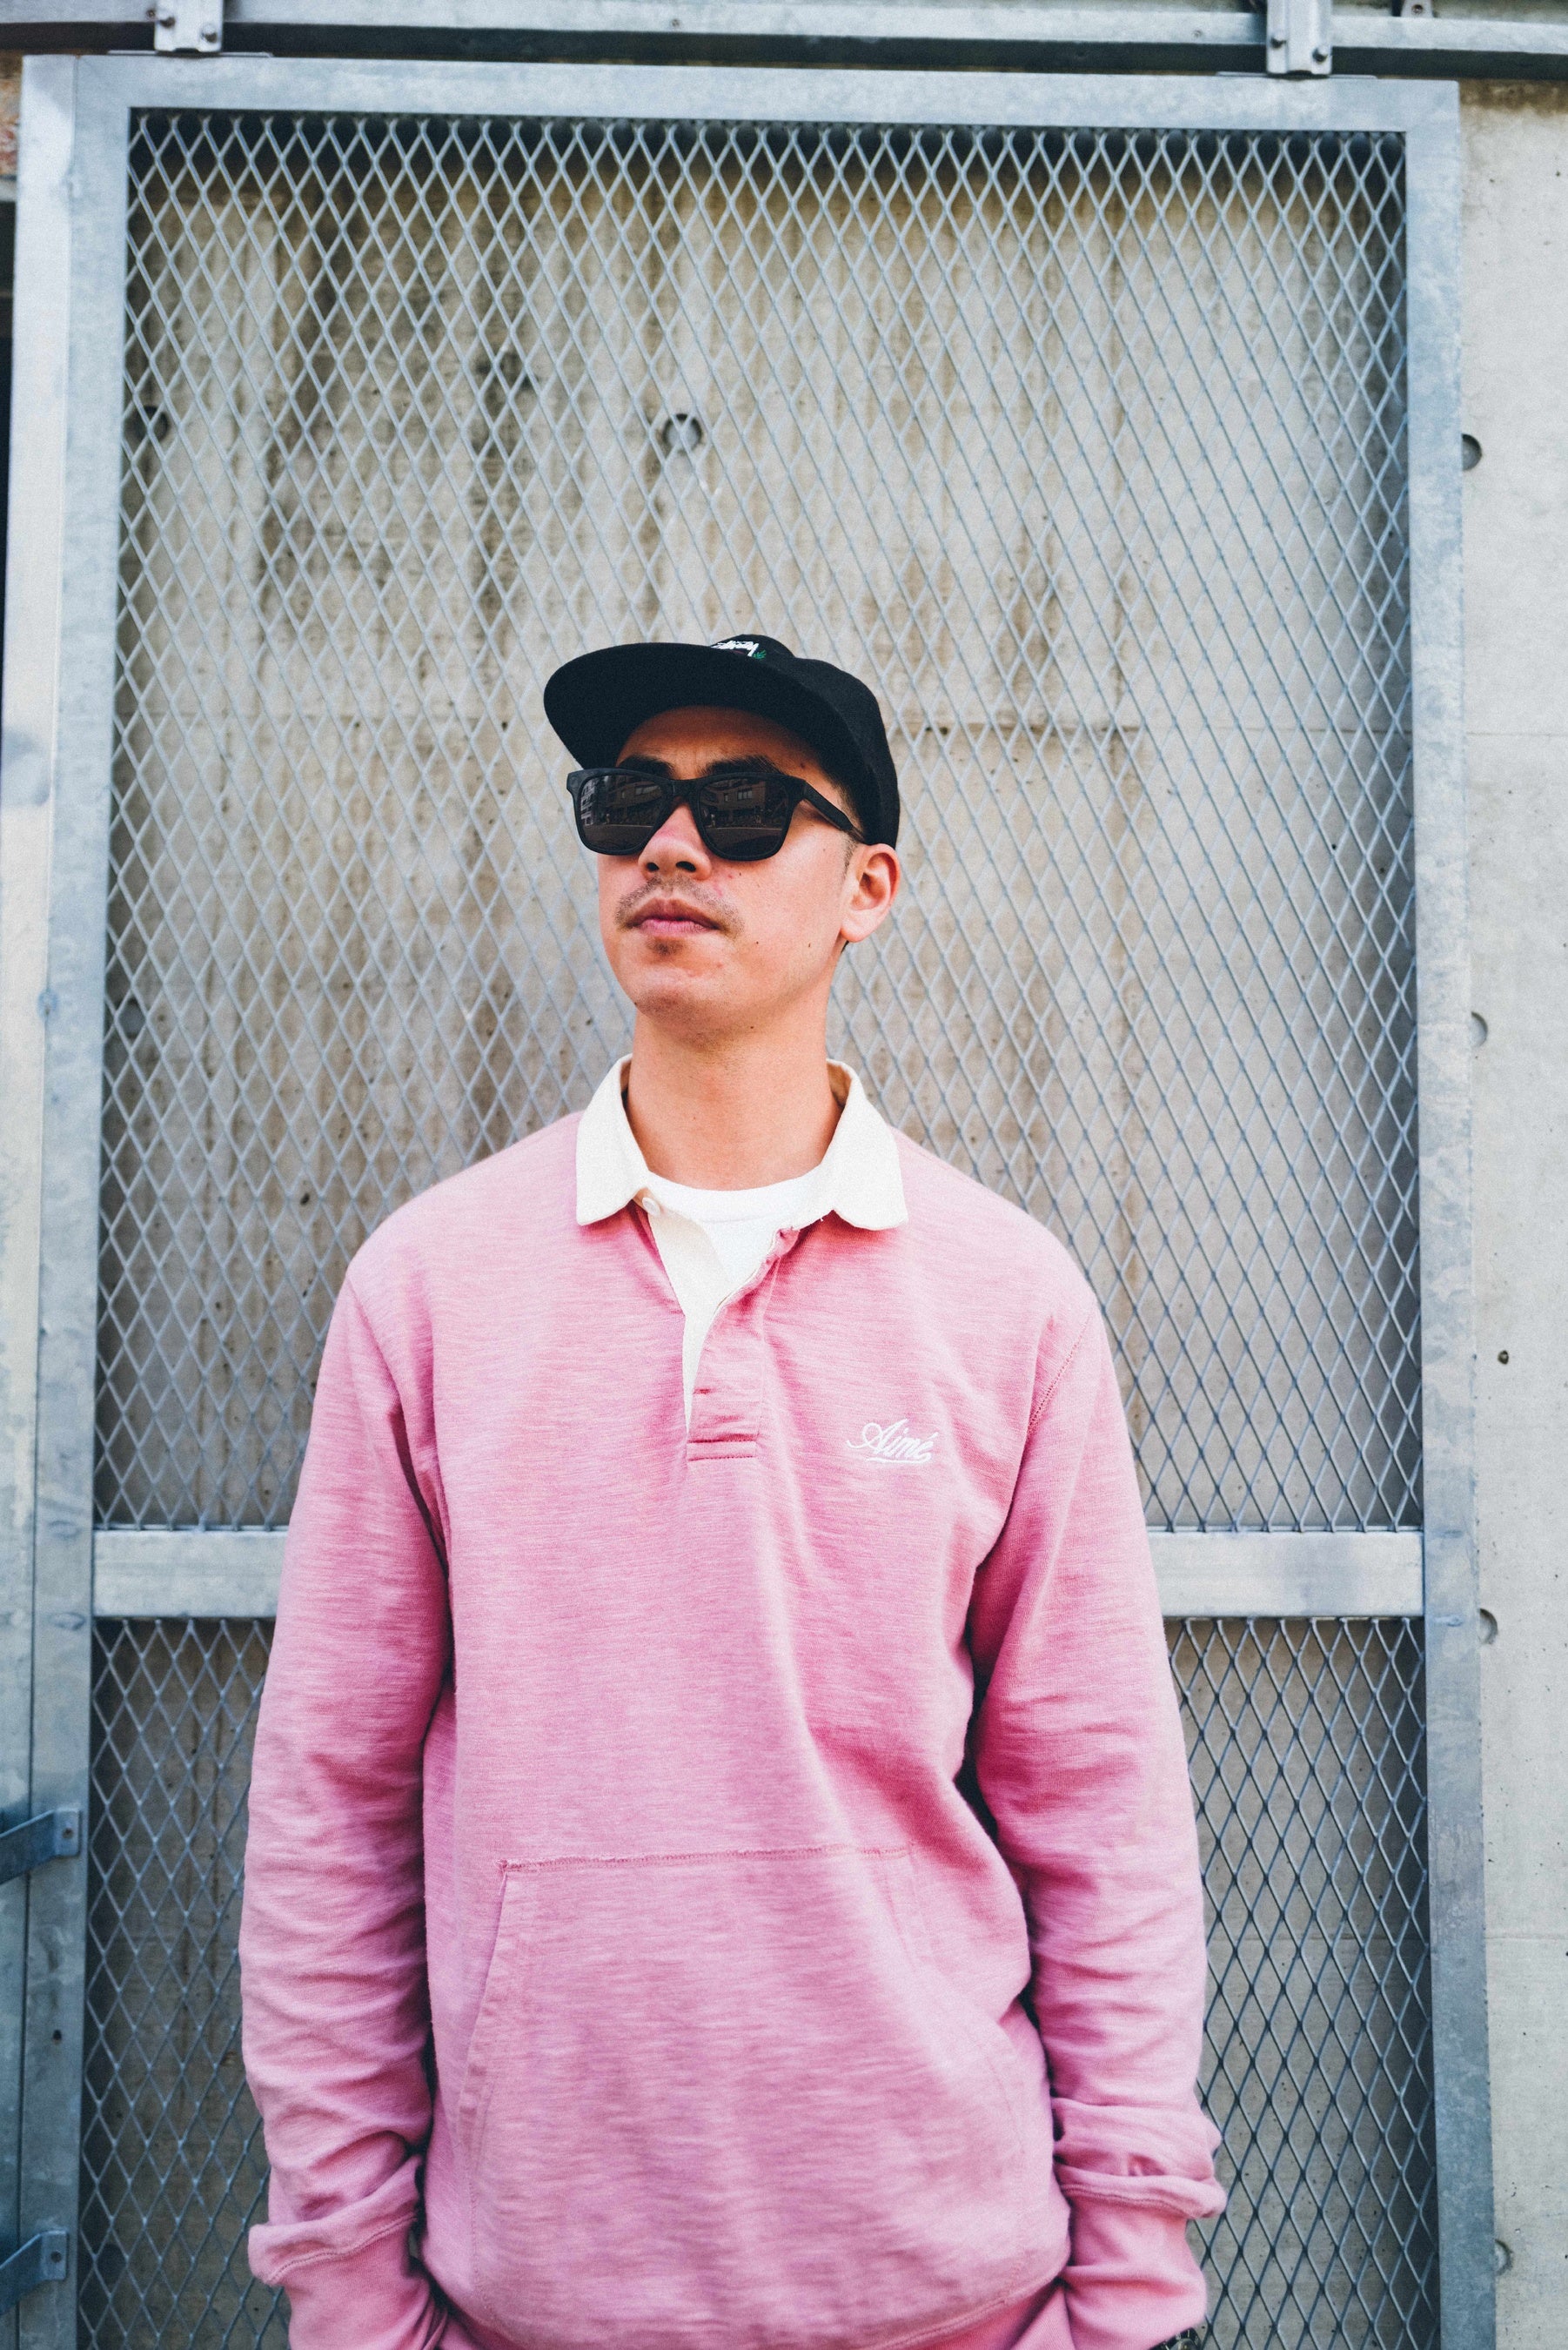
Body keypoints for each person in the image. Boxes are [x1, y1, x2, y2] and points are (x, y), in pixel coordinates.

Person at [239, 633, 1224, 2350]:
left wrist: (1126, 2291)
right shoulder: (429, 1286)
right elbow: (329, 1809)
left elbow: (1104, 1813)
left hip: (951, 2288)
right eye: (628, 802)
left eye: (749, 807)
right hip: (540, 2292)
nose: (673, 845)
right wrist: (347, 2292)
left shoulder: (1006, 1296)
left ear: (867, 889)